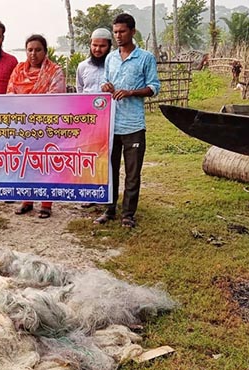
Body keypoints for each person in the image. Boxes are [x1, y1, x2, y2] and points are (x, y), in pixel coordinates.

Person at [94, 13, 160, 229]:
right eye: (115, 32)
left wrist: (131, 92)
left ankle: (128, 214)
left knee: (132, 173)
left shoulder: (145, 58)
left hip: (133, 125)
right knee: (110, 170)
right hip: (111, 124)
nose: (118, 35)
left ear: (132, 31)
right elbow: (106, 80)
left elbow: (154, 88)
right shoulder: (111, 58)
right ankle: (109, 209)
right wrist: (106, 86)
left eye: (122, 31)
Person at [7, 34, 66, 219]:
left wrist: (29, 106)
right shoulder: (18, 70)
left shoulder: (55, 71)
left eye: (38, 50)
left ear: (45, 52)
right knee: (26, 163)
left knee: (45, 163)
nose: (33, 54)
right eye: (30, 50)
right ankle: (27, 201)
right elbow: (10, 94)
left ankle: (46, 204)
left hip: (46, 126)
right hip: (23, 127)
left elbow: (54, 98)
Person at [76, 28, 113, 209]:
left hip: (111, 121)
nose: (98, 49)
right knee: (89, 157)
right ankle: (90, 193)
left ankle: (108, 195)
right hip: (89, 122)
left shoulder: (114, 66)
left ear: (109, 46)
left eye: (102, 46)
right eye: (94, 45)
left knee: (109, 158)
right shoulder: (82, 67)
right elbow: (80, 92)